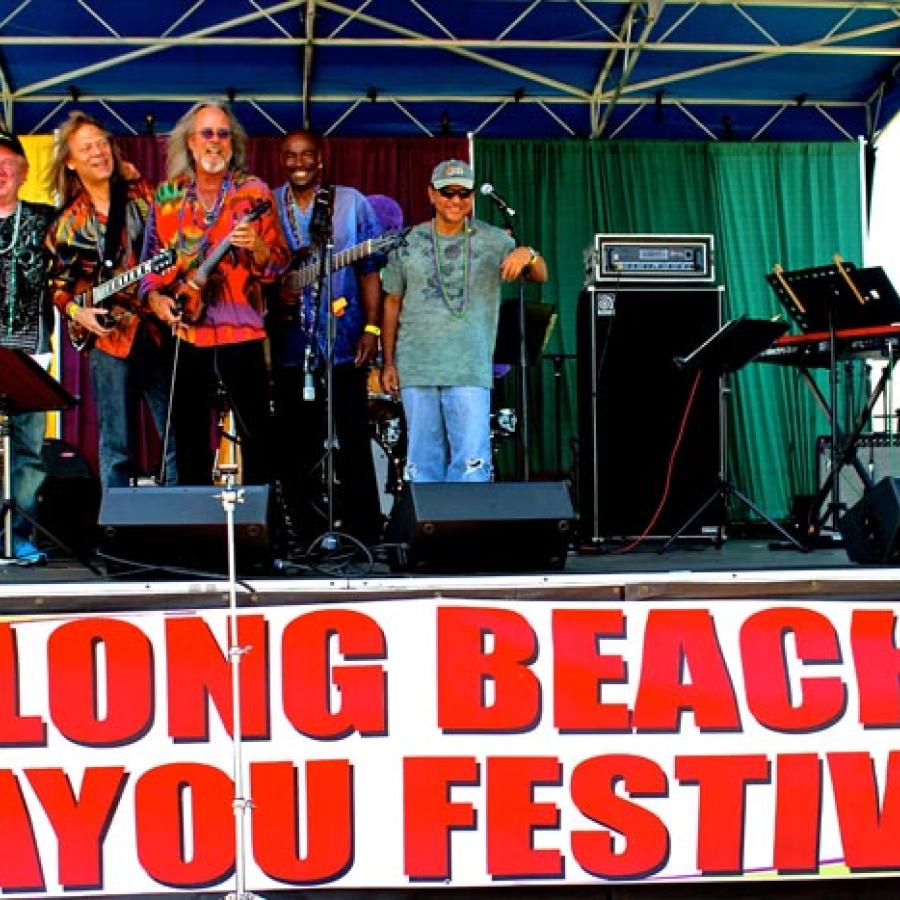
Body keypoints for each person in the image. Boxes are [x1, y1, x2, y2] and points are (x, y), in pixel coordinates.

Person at [140, 101, 289, 487]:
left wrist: (255, 245)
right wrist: (156, 300)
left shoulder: (253, 193)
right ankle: (198, 537)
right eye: (207, 133)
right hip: (187, 331)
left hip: (242, 331)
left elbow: (277, 267)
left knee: (258, 437)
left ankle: (261, 532)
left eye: (223, 134)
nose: (215, 142)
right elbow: (151, 267)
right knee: (189, 441)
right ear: (190, 142)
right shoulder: (168, 195)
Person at [381, 159, 548, 483]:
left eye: (463, 193)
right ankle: (428, 532)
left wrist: (527, 253)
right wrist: (389, 362)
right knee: (422, 464)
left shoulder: (495, 239)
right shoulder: (407, 242)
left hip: (470, 366)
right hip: (418, 365)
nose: (455, 201)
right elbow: (391, 302)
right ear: (431, 194)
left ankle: (466, 534)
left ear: (472, 196)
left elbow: (540, 275)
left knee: (471, 464)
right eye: (447, 192)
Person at [46, 111, 177, 493]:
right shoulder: (67, 223)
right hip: (109, 338)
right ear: (70, 162)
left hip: (156, 325)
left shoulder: (144, 195)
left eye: (102, 143)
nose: (98, 152)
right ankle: (116, 529)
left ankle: (183, 522)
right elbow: (59, 286)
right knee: (116, 440)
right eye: (86, 148)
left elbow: (178, 220)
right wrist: (77, 312)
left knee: (174, 431)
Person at [268, 130, 384, 545]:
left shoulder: (350, 203)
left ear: (321, 159)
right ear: (282, 159)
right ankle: (302, 532)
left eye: (307, 155)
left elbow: (370, 268)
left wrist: (371, 328)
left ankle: (364, 534)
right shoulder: (267, 204)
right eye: (291, 155)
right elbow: (260, 269)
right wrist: (277, 288)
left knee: (352, 438)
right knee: (295, 445)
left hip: (344, 342)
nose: (299, 163)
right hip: (288, 345)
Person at [0, 129, 55, 563]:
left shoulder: (46, 219)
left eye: (7, 161)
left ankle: (19, 535)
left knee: (28, 452)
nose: (0, 170)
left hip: (28, 350)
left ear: (24, 170)